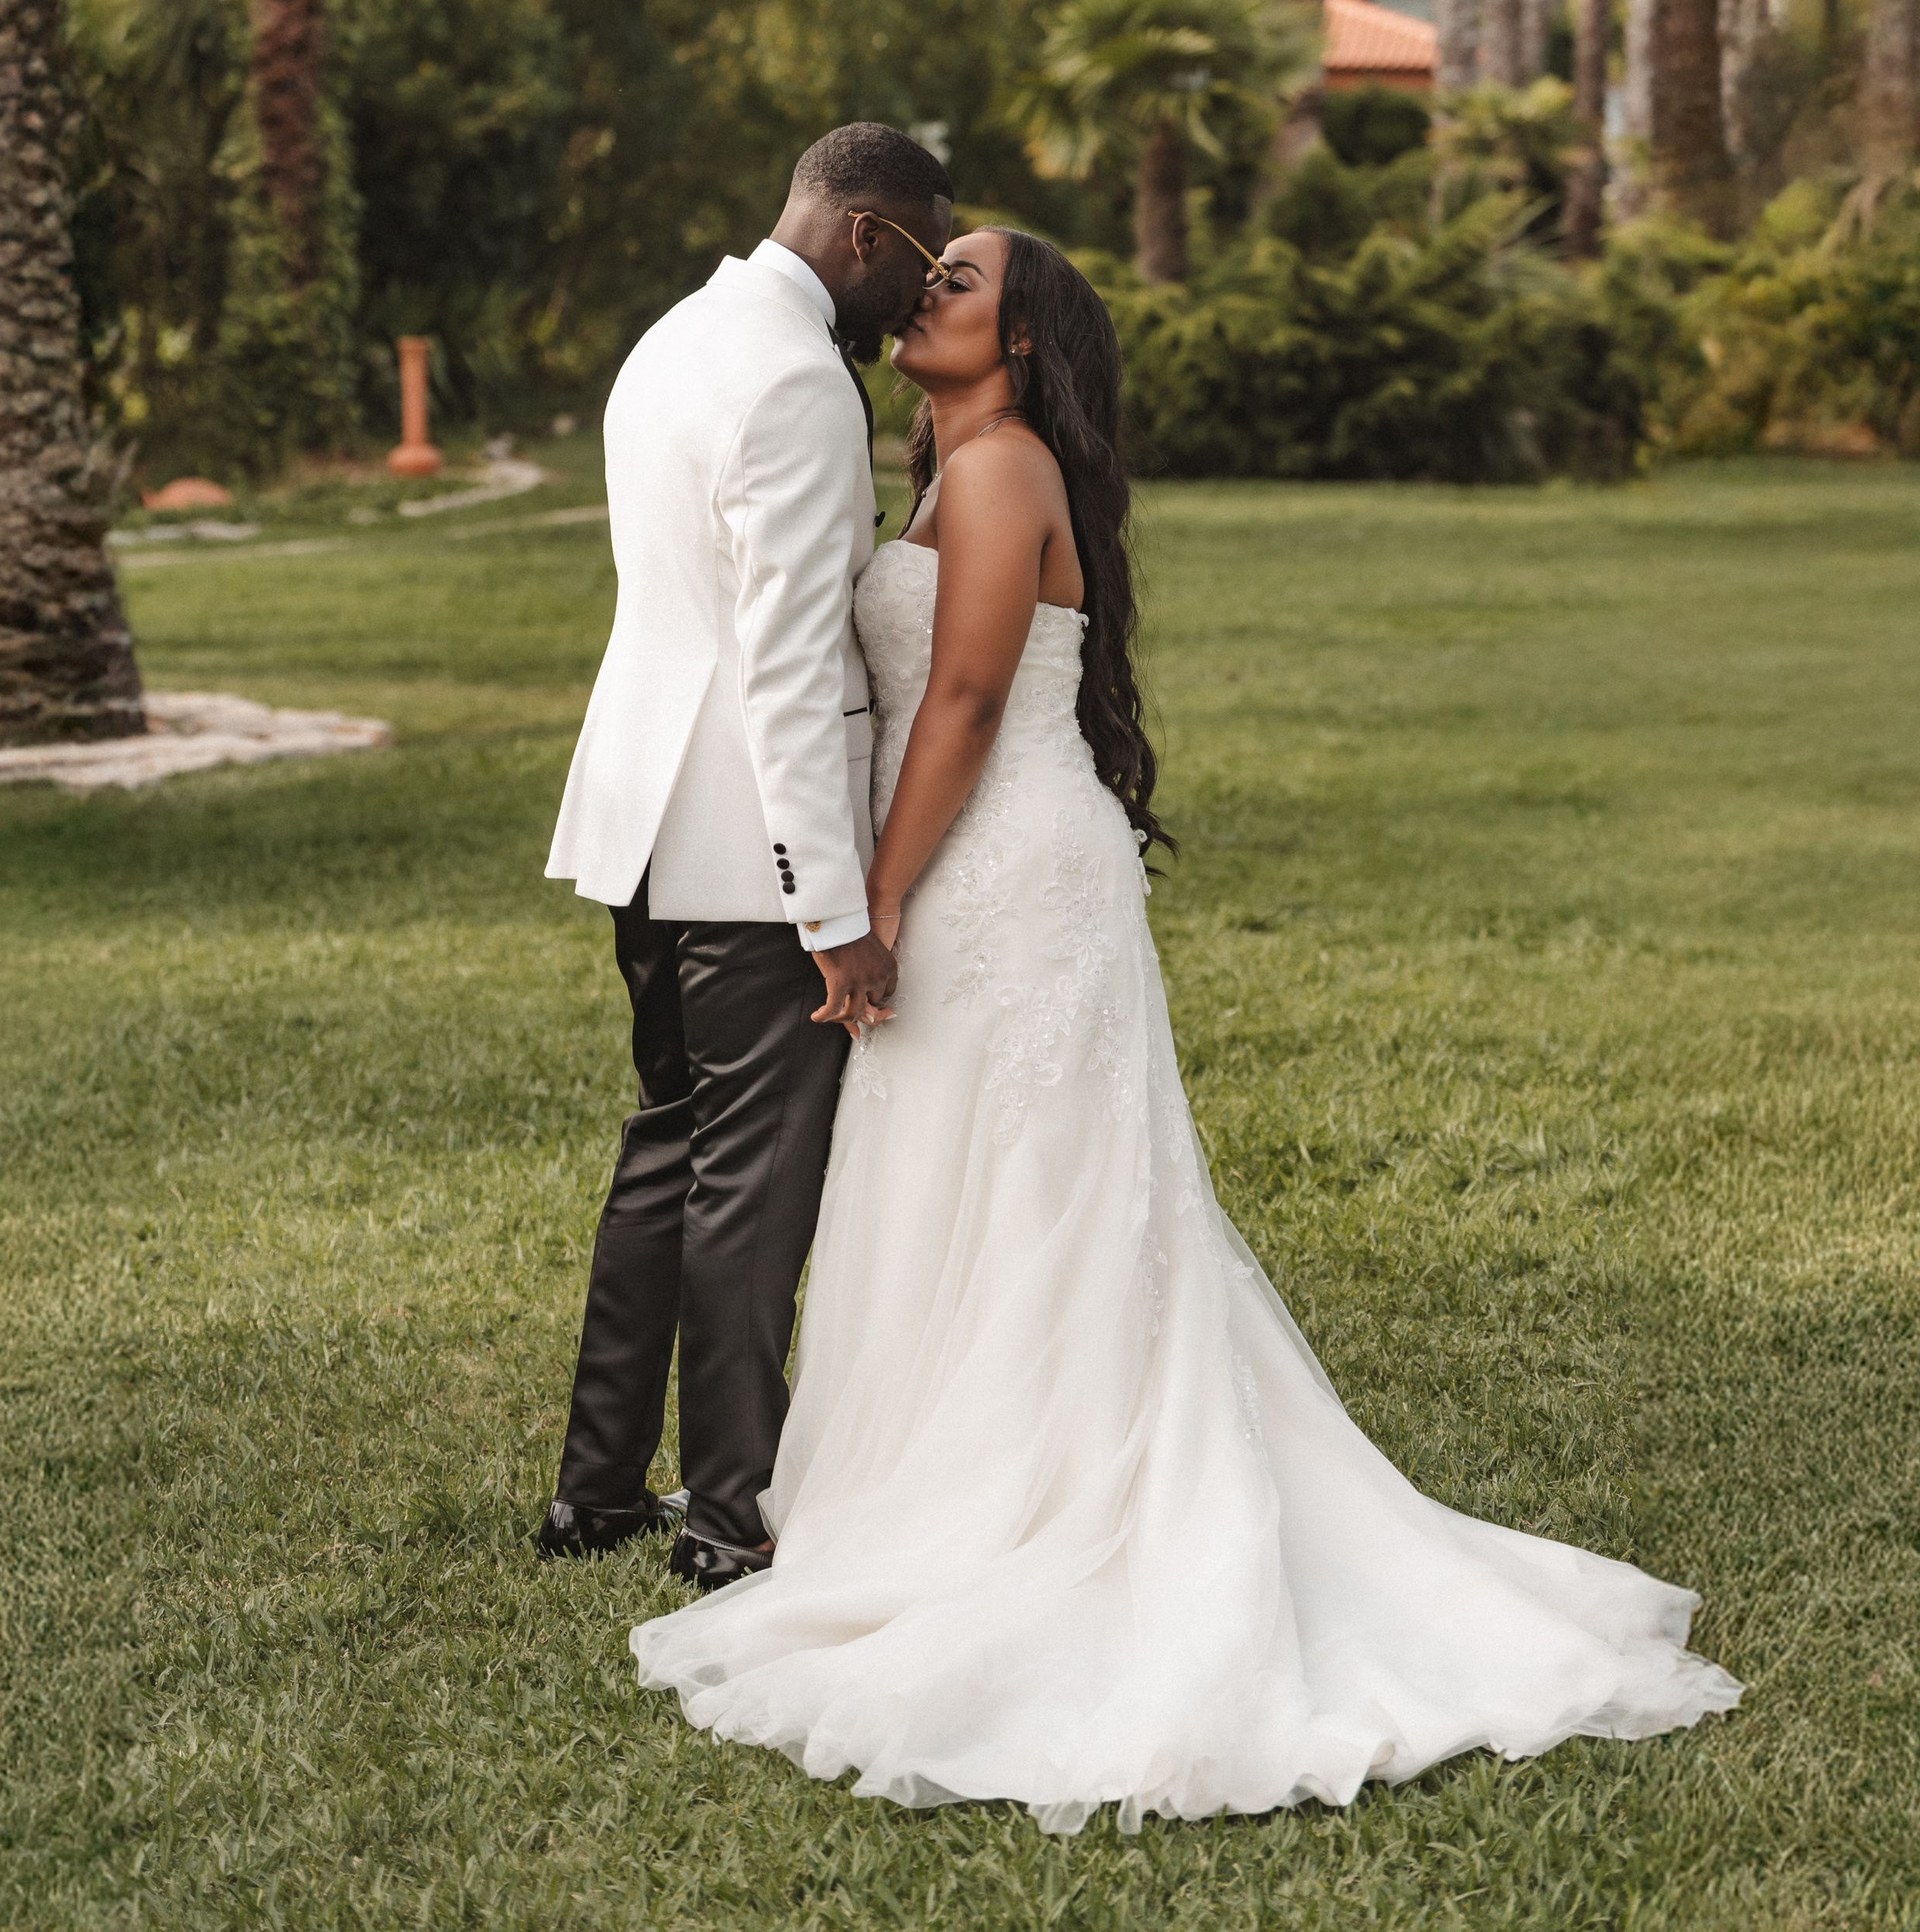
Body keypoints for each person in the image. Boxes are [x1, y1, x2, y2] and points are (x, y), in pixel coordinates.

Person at [630, 228, 1740, 1828]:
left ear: (1023, 340)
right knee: (951, 1181)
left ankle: (1048, 1500)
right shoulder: (947, 473)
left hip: (1007, 876)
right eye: (929, 269)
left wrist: (870, 900)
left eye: (960, 279)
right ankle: (935, 1484)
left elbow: (964, 702)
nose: (926, 289)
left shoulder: (1004, 467)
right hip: (971, 868)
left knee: (1039, 1192)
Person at [537, 122, 953, 1592]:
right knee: (752, 1185)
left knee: (671, 1146)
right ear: (863, 234)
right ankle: (729, 1517)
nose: (923, 295)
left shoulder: (676, 336)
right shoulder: (793, 380)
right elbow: (784, 668)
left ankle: (597, 1492)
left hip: (645, 820)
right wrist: (829, 907)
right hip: (742, 846)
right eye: (920, 259)